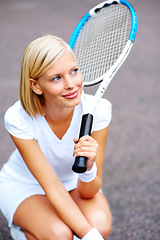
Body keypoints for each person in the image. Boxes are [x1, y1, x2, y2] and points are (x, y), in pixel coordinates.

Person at [0, 34, 112, 240]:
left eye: (74, 71)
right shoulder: (18, 118)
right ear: (36, 86)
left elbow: (89, 190)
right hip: (26, 185)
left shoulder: (99, 111)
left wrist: (88, 168)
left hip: (72, 183)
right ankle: (24, 231)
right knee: (60, 235)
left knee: (100, 225)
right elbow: (51, 185)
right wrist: (89, 236)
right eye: (56, 78)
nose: (71, 84)